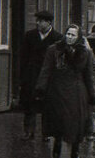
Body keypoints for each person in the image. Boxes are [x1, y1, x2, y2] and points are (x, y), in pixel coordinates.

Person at [35, 24, 95, 158]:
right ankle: (57, 140)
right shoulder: (54, 50)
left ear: (78, 37)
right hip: (57, 89)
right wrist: (40, 88)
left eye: (73, 35)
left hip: (77, 90)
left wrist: (91, 94)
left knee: (77, 121)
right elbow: (46, 70)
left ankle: (75, 152)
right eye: (68, 34)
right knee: (59, 118)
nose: (69, 37)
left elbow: (88, 75)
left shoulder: (85, 52)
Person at [19, 10, 62, 140]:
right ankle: (28, 131)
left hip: (49, 76)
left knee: (47, 106)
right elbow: (23, 57)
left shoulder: (57, 38)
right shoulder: (29, 36)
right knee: (29, 104)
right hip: (31, 74)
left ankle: (46, 133)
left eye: (41, 21)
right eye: (37, 20)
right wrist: (22, 77)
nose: (38, 23)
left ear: (49, 22)